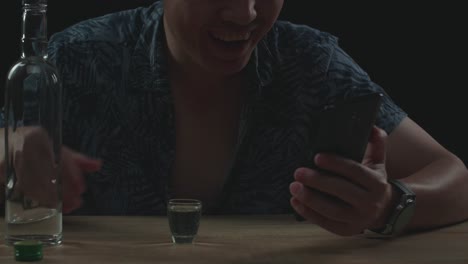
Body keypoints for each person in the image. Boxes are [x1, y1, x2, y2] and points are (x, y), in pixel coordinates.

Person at [1, 0, 468, 237]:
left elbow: (456, 179)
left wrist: (389, 206)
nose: (245, 13)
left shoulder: (311, 64)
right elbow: (7, 145)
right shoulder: (76, 60)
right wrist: (10, 152)